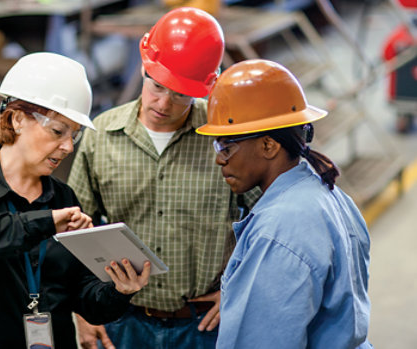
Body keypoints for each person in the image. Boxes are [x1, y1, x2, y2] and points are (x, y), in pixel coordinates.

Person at [67, 7, 262, 349]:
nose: (164, 103)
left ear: (204, 88)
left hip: (204, 325)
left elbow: (268, 221)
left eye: (181, 94)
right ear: (144, 66)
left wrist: (240, 289)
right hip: (122, 320)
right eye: (156, 86)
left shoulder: (223, 139)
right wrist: (83, 312)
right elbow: (73, 231)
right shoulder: (100, 137)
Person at [0, 52, 150, 349]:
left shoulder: (63, 198)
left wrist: (119, 290)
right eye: (58, 131)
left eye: (75, 135)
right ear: (17, 118)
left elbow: (83, 296)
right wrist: (45, 223)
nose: (68, 146)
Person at [196, 59, 373, 348]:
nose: (219, 159)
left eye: (226, 146)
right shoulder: (329, 195)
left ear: (268, 145)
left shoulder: (278, 231)